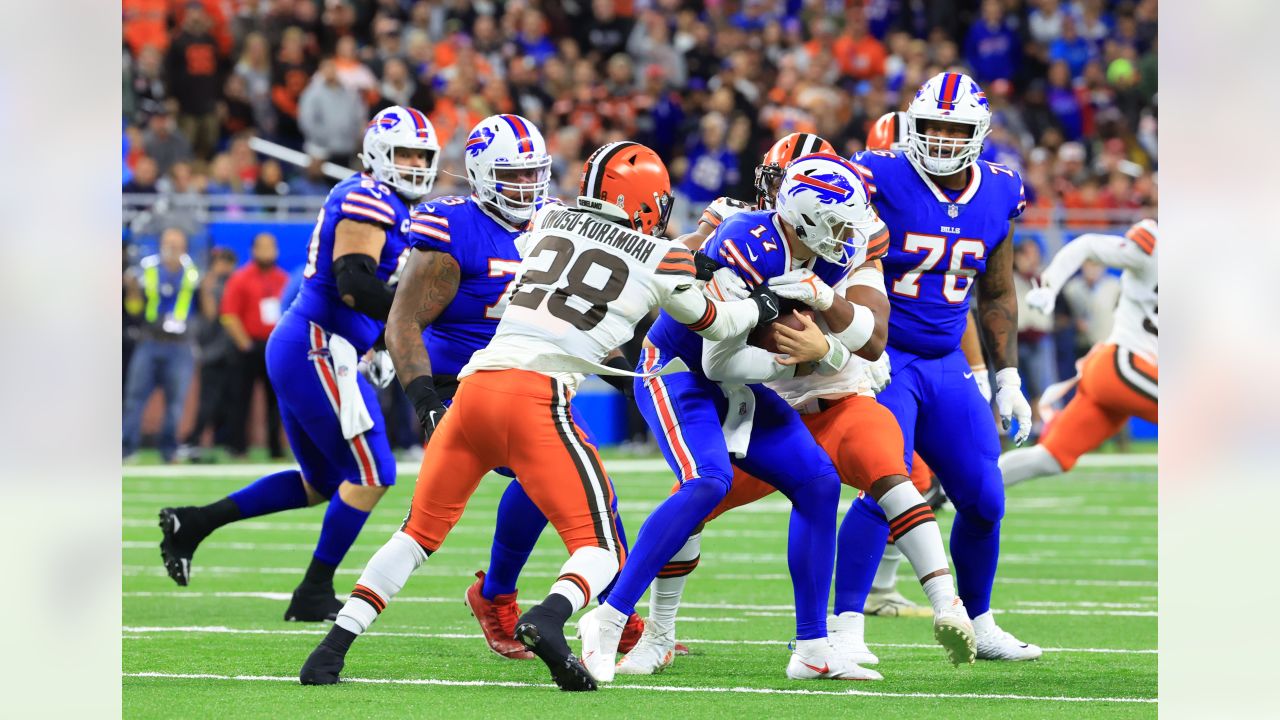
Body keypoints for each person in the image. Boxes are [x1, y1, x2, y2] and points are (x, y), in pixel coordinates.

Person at [298, 141, 781, 691]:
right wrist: (760, 304)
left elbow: (590, 250)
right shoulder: (657, 257)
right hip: (536, 401)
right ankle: (549, 615)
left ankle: (331, 649)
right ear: (648, 202)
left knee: (415, 535)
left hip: (473, 392)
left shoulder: (547, 219)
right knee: (600, 546)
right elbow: (715, 322)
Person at [617, 136, 975, 676]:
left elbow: (873, 337)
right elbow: (707, 333)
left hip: (838, 395)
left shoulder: (849, 238)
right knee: (694, 499)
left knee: (886, 475)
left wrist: (826, 326)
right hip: (761, 397)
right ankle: (651, 632)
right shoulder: (738, 233)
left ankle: (940, 611)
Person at [580, 152, 893, 683]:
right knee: (708, 482)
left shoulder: (825, 254)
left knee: (818, 483)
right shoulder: (745, 242)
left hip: (738, 381)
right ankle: (608, 619)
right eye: (838, 222)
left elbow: (871, 343)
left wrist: (825, 320)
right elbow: (718, 358)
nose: (847, 236)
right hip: (679, 370)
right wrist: (816, 354)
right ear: (807, 217)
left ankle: (813, 647)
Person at [157, 106, 439, 622]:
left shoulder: (392, 203)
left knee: (322, 482)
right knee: (375, 471)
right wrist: (414, 319)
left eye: (424, 154)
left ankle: (194, 523)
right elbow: (353, 283)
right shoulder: (368, 195)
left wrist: (377, 340)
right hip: (318, 344)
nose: (416, 164)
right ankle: (313, 590)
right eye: (405, 153)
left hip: (316, 346)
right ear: (379, 154)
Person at [840, 72, 1041, 661]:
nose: (942, 140)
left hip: (946, 361)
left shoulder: (1001, 190)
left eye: (955, 129)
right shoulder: (877, 176)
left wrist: (1006, 379)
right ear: (911, 125)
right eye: (931, 126)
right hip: (883, 358)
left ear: (978, 133)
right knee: (887, 486)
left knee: (984, 497)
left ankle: (980, 622)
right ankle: (843, 631)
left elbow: (998, 292)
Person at [1000, 219, 1157, 486]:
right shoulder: (1155, 246)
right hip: (1123, 364)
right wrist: (1049, 286)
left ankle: (946, 492)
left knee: (1049, 458)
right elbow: (1088, 246)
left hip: (1116, 372)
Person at [123, 228, 201, 463]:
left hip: (180, 344)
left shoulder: (194, 273)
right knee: (135, 398)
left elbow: (204, 310)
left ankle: (169, 450)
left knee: (176, 402)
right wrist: (132, 289)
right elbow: (134, 309)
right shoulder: (147, 270)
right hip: (150, 340)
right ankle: (126, 448)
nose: (172, 248)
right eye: (168, 242)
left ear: (184, 247)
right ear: (160, 244)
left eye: (176, 243)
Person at [220, 233, 289, 459]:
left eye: (271, 247)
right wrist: (245, 344)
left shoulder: (283, 279)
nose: (267, 251)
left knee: (276, 402)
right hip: (248, 347)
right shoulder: (240, 278)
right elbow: (229, 314)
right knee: (240, 398)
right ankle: (238, 447)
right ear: (253, 250)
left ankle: (275, 449)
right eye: (262, 247)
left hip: (275, 347)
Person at [182, 246, 238, 459]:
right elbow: (210, 315)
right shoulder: (207, 284)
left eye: (228, 262)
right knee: (209, 400)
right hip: (211, 350)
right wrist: (206, 290)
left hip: (229, 349)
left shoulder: (231, 283)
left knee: (228, 400)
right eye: (221, 262)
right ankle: (193, 440)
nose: (225, 267)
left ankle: (221, 441)